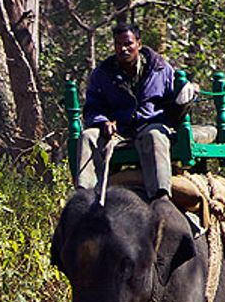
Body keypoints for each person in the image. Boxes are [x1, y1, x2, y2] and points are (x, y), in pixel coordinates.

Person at [74, 22, 197, 200]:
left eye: (128, 44)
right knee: (87, 136)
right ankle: (84, 196)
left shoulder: (160, 69)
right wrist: (103, 121)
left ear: (138, 44)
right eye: (118, 44)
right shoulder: (103, 73)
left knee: (155, 136)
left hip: (150, 124)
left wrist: (188, 92)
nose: (123, 49)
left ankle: (160, 195)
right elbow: (92, 107)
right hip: (119, 130)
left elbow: (175, 100)